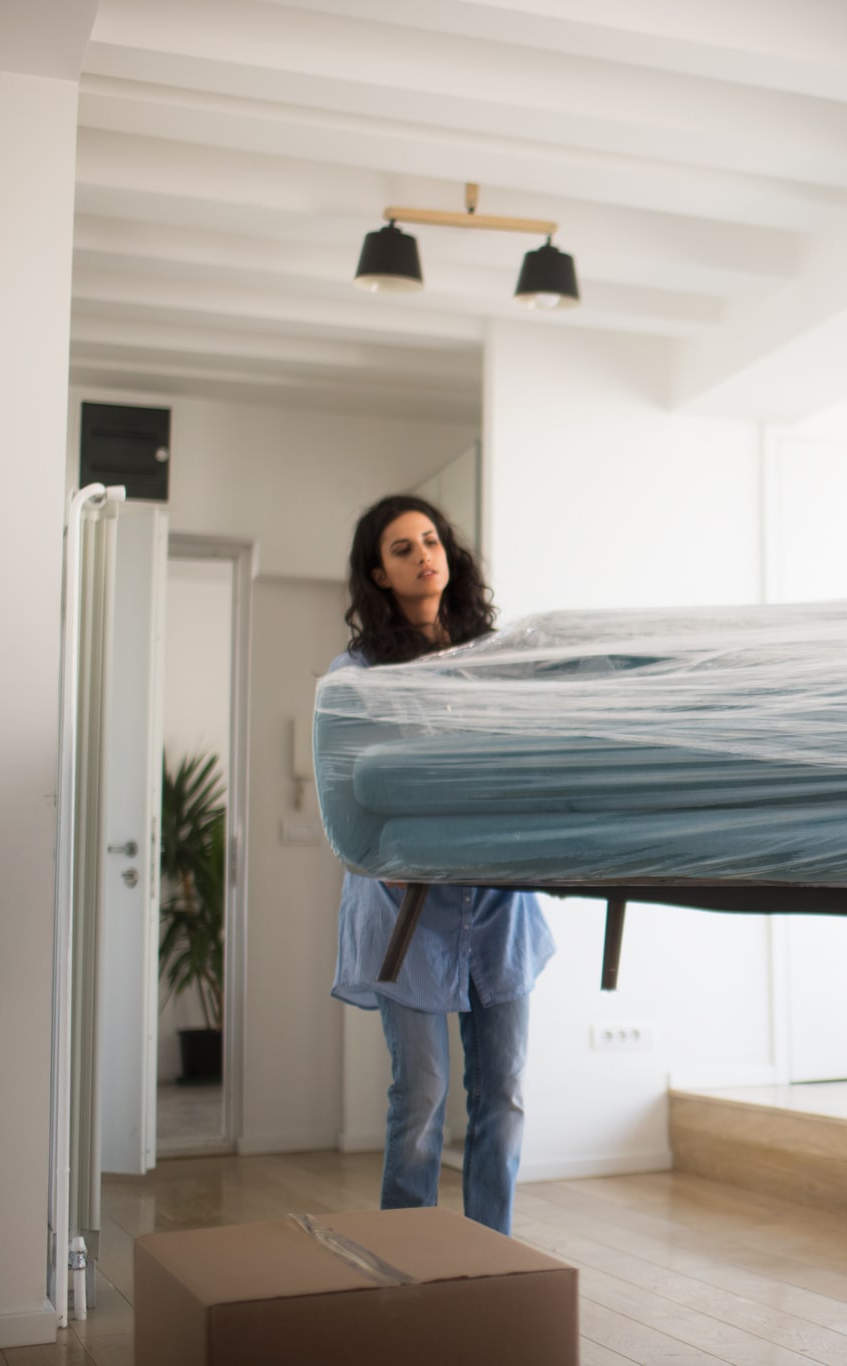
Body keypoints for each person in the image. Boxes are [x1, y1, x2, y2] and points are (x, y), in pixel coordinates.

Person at [328, 494, 555, 1235]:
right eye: (403, 548)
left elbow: (529, 763)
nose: (425, 555)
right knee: (420, 1097)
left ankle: (492, 1255)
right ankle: (410, 1260)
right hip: (406, 912)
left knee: (504, 1094)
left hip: (497, 906)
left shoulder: (498, 659)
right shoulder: (358, 672)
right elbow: (343, 791)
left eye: (432, 541)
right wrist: (381, 856)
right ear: (379, 574)